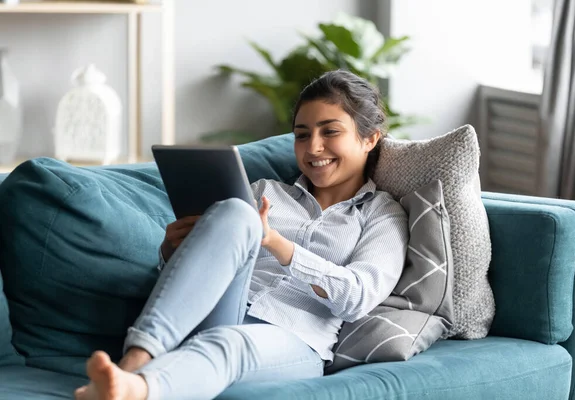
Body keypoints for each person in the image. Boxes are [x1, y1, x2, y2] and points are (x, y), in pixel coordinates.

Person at [74, 70, 409, 400]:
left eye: (330, 131)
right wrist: (171, 252)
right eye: (302, 134)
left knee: (227, 343)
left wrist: (277, 243)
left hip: (294, 340)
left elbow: (358, 297)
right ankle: (135, 360)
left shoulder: (383, 213)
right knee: (236, 212)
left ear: (370, 138)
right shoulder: (265, 192)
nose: (314, 147)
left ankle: (134, 389)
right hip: (221, 311)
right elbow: (196, 281)